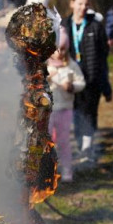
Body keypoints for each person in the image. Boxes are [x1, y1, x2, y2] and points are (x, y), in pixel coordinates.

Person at [60, 0, 110, 162]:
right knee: (75, 113)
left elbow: (104, 54)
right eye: (80, 3)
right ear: (72, 3)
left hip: (91, 78)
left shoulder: (96, 26)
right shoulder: (63, 25)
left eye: (87, 4)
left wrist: (105, 83)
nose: (83, 7)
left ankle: (87, 149)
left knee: (89, 113)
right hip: (70, 78)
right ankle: (80, 144)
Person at [46, 39, 85, 183]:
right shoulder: (44, 65)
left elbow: (81, 82)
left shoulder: (71, 65)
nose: (59, 53)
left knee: (63, 141)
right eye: (56, 49)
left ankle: (67, 169)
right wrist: (47, 78)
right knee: (46, 142)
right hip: (47, 111)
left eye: (62, 49)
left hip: (65, 109)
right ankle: (47, 171)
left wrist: (72, 86)